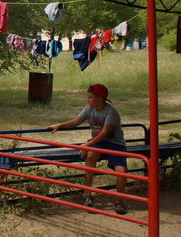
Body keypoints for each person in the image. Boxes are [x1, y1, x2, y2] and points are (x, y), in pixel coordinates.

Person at [48, 84, 129, 214]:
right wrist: (60, 125)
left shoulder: (111, 112)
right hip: (98, 143)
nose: (88, 100)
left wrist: (87, 144)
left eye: (90, 97)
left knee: (122, 170)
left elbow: (104, 134)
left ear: (100, 98)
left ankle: (119, 201)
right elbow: (75, 122)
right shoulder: (88, 109)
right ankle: (87, 193)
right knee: (91, 155)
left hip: (115, 143)